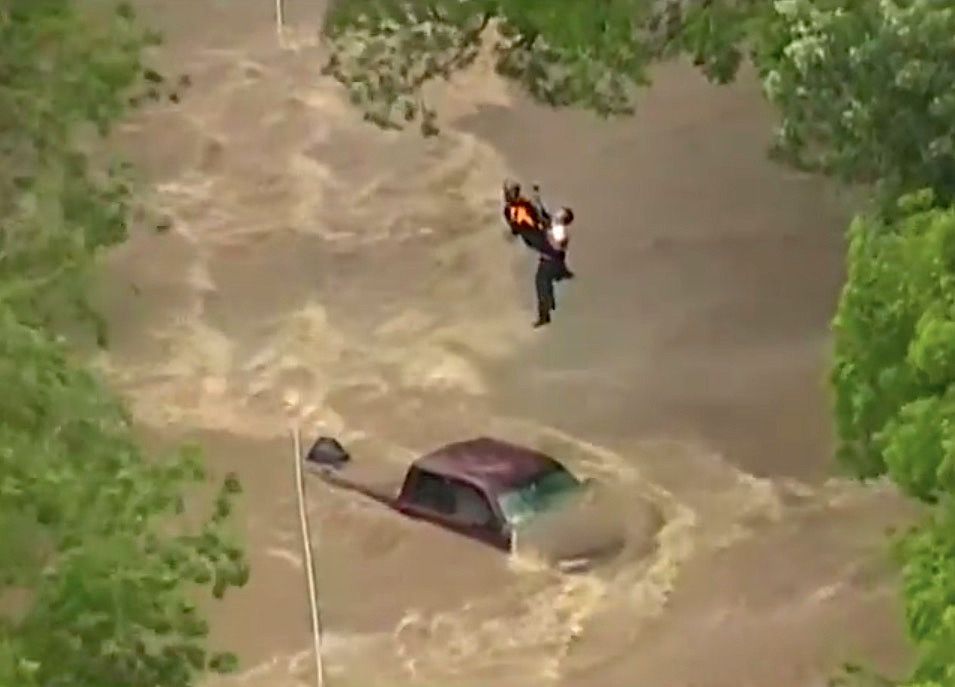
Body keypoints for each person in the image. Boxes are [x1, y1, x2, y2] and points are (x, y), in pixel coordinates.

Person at [534, 206, 575, 328]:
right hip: (549, 261)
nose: (557, 212)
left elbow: (558, 246)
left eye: (560, 212)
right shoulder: (555, 224)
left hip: (549, 263)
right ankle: (548, 305)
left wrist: (547, 239)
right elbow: (546, 216)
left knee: (542, 286)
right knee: (543, 285)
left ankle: (545, 314)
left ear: (563, 218)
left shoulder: (559, 229)